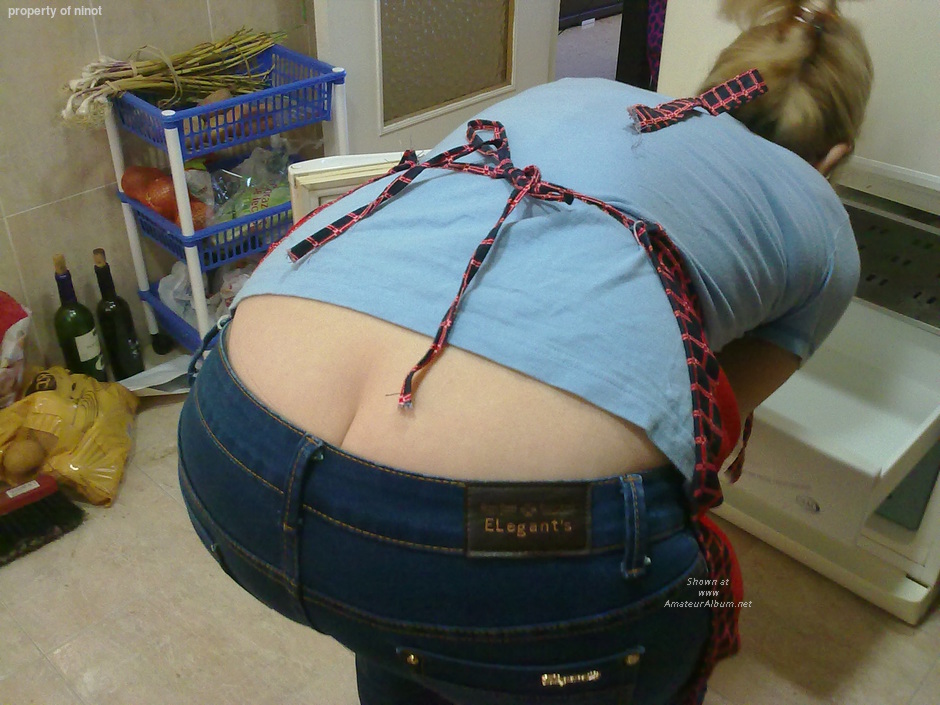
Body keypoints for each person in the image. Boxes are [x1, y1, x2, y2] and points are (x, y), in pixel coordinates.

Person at [177, 1, 873, 703]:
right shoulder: (824, 225)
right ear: (834, 157)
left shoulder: (577, 95)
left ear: (710, 90)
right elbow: (707, 426)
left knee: (395, 602)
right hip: (500, 541)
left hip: (229, 440)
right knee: (690, 597)